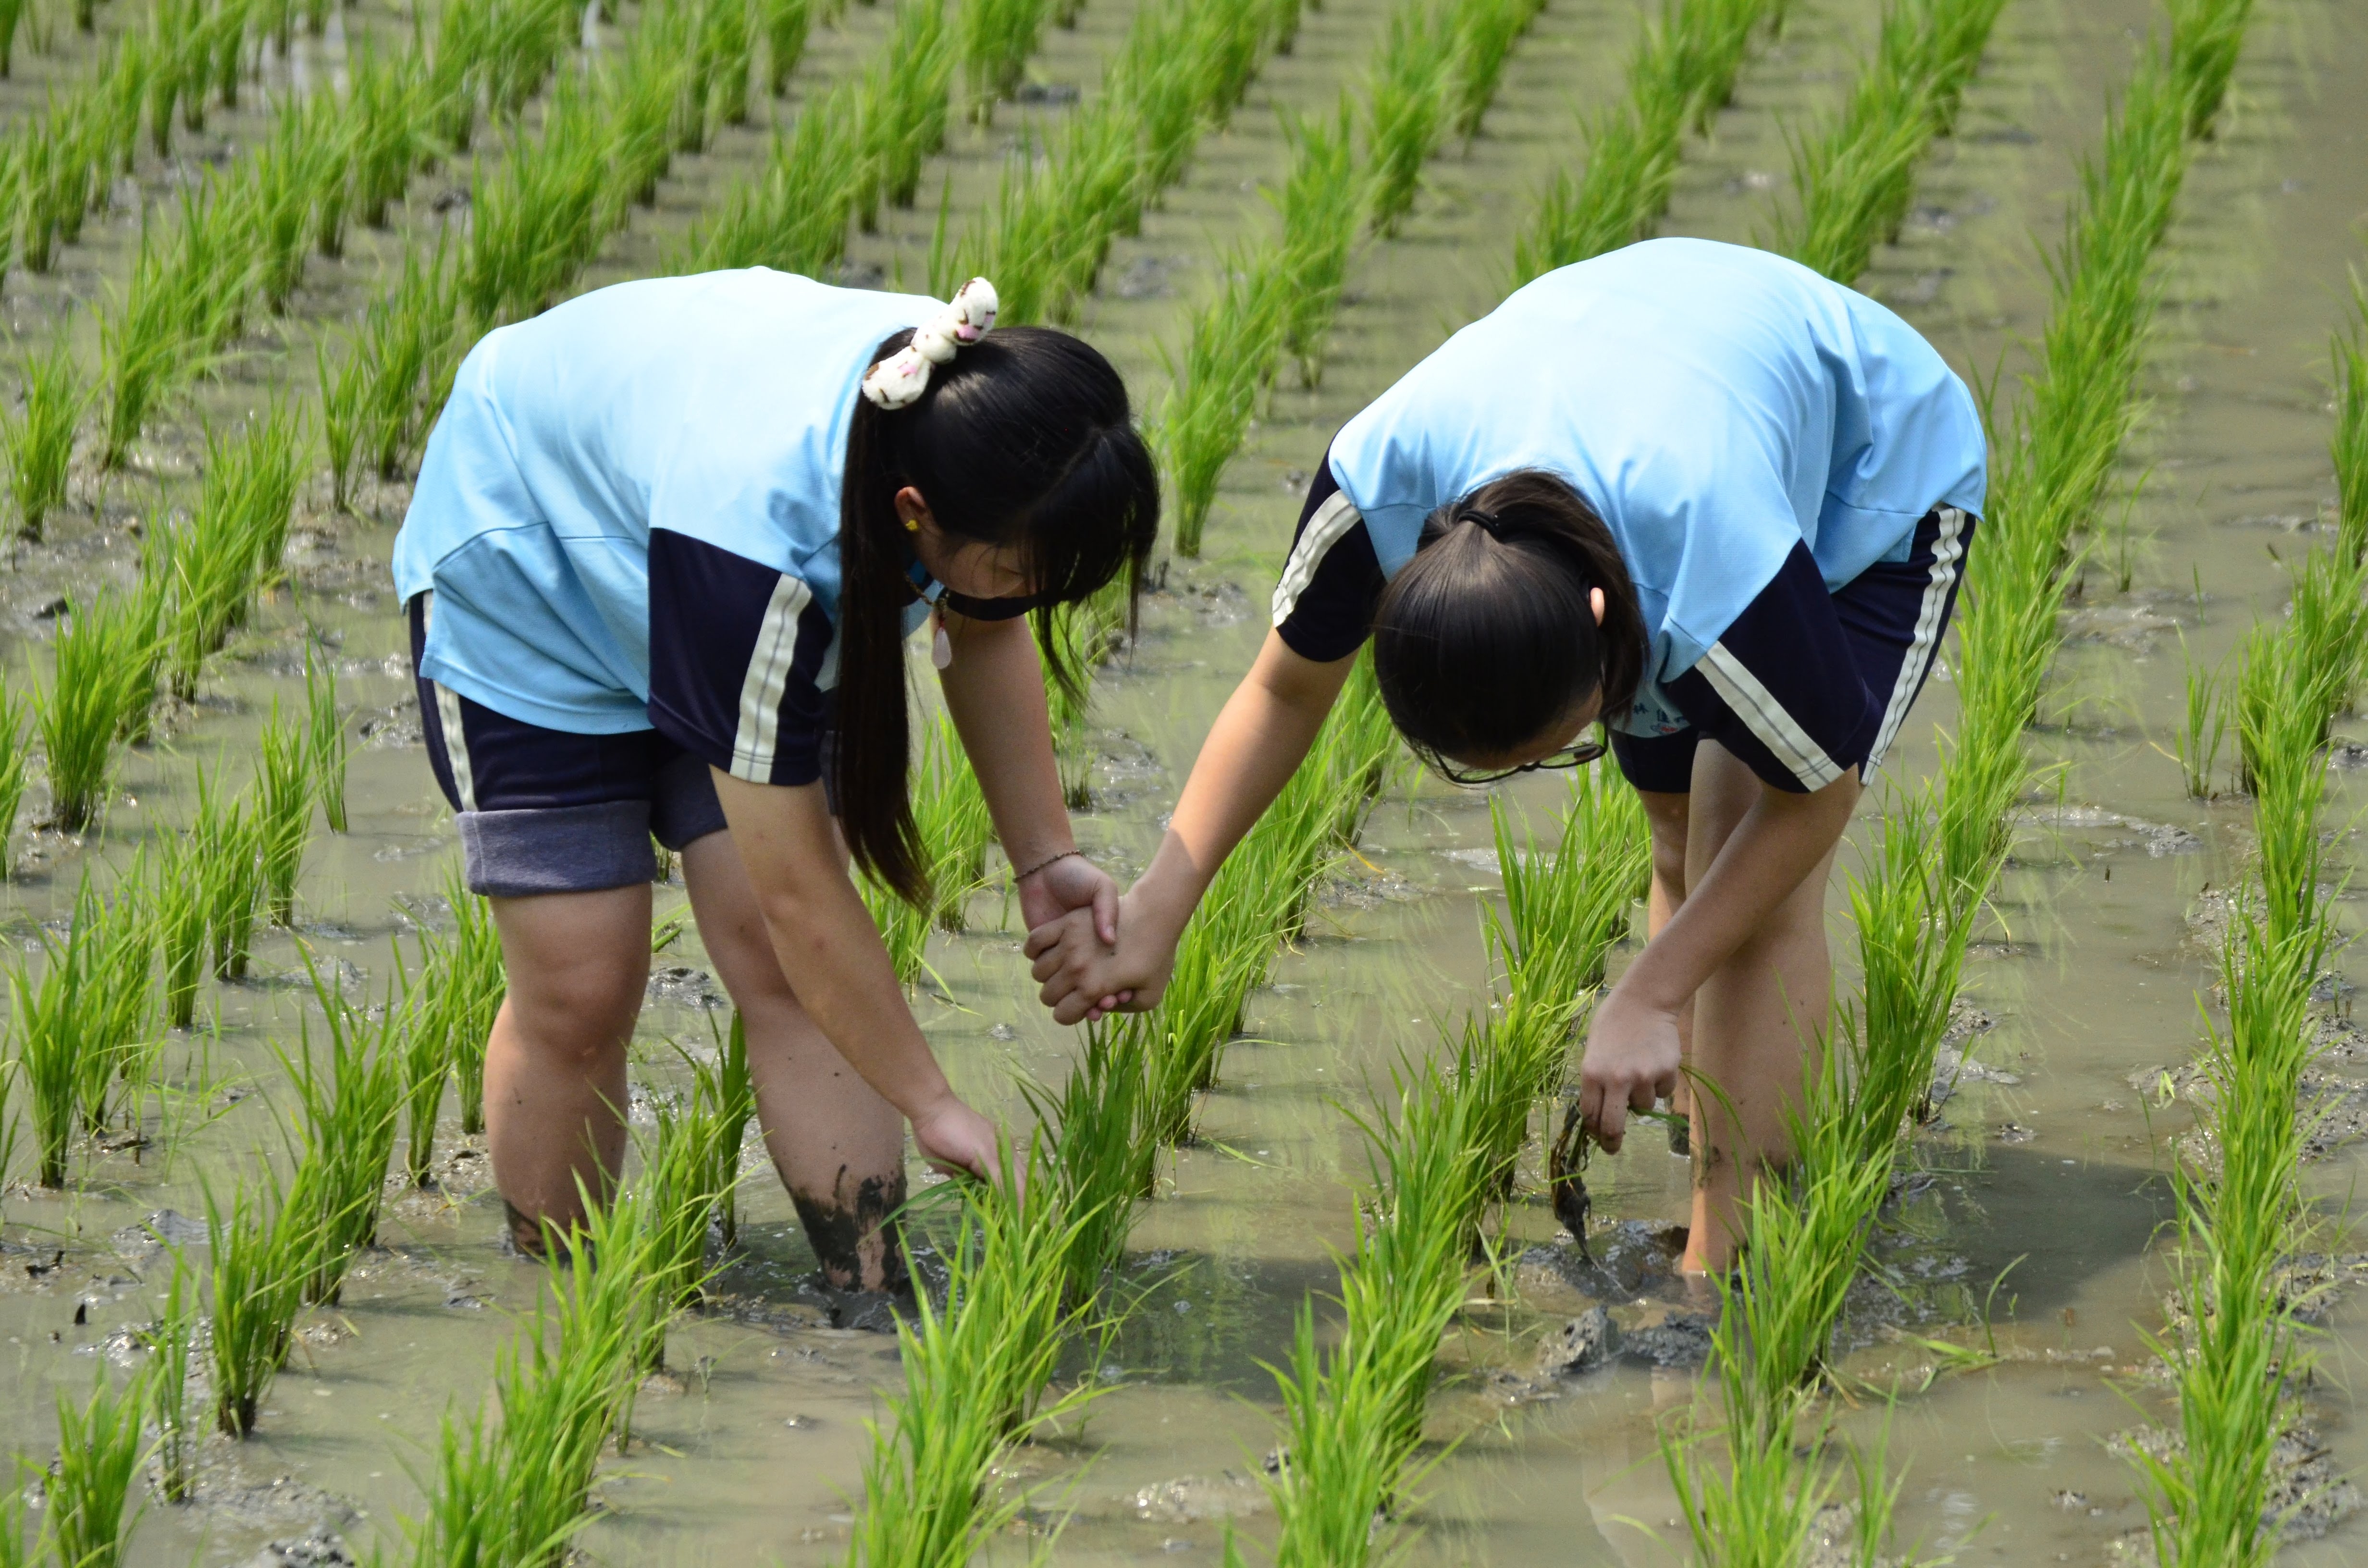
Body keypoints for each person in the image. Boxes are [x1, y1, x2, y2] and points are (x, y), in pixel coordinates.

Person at [1026, 238, 1986, 1273]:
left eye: (1562, 740)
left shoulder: (1712, 569)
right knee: (1676, 836)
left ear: (1601, 622)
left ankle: (1730, 1269)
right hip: (1652, 391)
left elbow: (1813, 804)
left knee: (1745, 845)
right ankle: (1711, 1145)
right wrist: (1161, 908)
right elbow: (1282, 686)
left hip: (1873, 477)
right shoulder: (1376, 489)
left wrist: (1651, 991)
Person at [393, 271, 1159, 1289]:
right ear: (913, 514)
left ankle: (871, 1295)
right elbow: (807, 894)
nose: (1037, 599)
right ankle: (560, 1301)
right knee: (581, 982)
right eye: (1026, 573)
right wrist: (933, 1102)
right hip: (531, 572)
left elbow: (984, 625)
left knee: (764, 945)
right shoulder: (766, 554)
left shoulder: (961, 418)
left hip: (681, 533)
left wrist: (1043, 857)